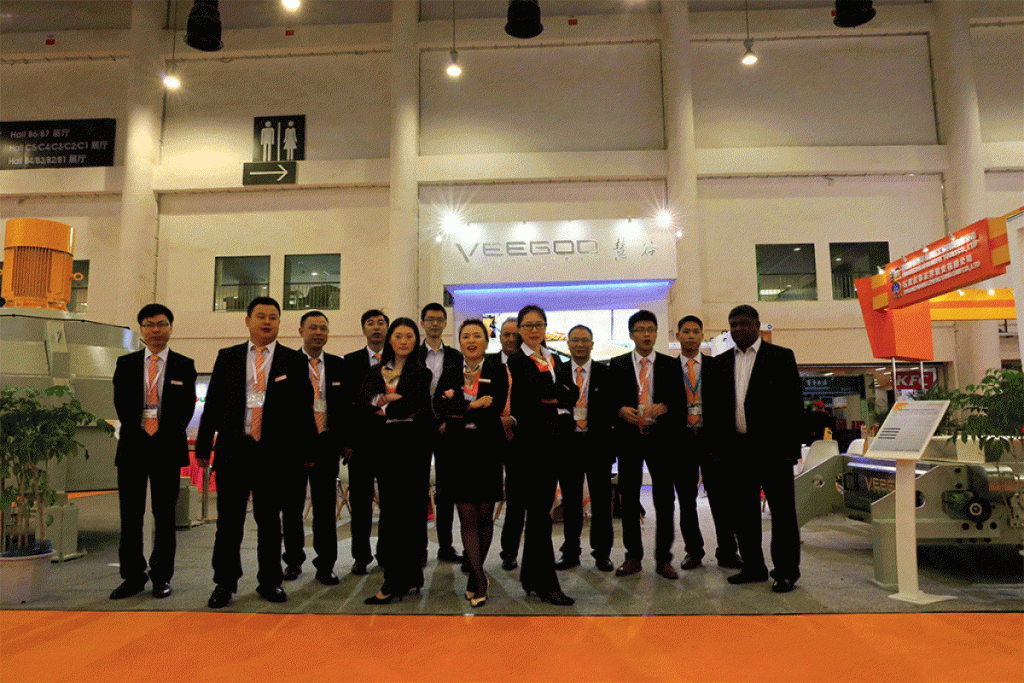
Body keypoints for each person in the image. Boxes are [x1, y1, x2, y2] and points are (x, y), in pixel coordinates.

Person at [196, 297, 315, 608]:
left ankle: (270, 581)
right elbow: (213, 405)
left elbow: (304, 409)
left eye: (273, 317)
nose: (267, 322)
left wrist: (308, 450)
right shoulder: (228, 357)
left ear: (279, 323)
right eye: (261, 316)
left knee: (270, 523)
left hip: (275, 455)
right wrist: (204, 446)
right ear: (248, 321)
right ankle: (224, 583)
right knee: (228, 523)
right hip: (234, 451)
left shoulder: (293, 360)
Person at [703, 304, 803, 594]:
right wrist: (717, 452)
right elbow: (714, 412)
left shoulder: (781, 357)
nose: (738, 329)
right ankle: (753, 567)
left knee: (783, 514)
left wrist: (791, 450)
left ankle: (786, 571)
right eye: (733, 324)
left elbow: (794, 405)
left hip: (775, 452)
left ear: (757, 325)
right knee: (744, 514)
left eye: (744, 323)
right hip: (736, 451)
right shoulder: (719, 363)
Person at [109, 304, 197, 600]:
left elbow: (185, 408)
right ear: (141, 330)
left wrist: (160, 432)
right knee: (130, 515)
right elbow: (121, 403)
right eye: (149, 325)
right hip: (133, 447)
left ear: (170, 328)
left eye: (161, 324)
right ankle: (132, 577)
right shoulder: (126, 363)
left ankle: (161, 577)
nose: (156, 330)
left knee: (165, 516)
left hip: (167, 448)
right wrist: (142, 431)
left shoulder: (184, 365)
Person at [434, 319, 509, 607]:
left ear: (486, 342)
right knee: (466, 514)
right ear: (460, 341)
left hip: (488, 449)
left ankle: (476, 574)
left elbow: (496, 405)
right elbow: (440, 404)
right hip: (458, 451)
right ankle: (478, 577)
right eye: (465, 336)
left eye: (477, 335)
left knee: (484, 514)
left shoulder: (497, 370)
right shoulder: (451, 370)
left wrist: (459, 412)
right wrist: (472, 405)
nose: (471, 340)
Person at [506, 304, 578, 606]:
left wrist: (556, 394)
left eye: (539, 324)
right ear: (520, 330)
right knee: (539, 516)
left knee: (540, 514)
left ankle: (531, 577)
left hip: (555, 443)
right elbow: (535, 393)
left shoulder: (555, 358)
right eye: (528, 325)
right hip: (530, 447)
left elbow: (572, 392)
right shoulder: (517, 360)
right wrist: (556, 393)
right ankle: (547, 583)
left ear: (546, 327)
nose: (534, 330)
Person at [360, 317, 434, 605]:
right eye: (398, 335)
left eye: (409, 336)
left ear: (416, 341)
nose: (403, 341)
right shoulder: (374, 371)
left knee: (413, 513)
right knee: (391, 513)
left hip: (414, 449)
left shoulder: (421, 372)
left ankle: (410, 576)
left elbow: (415, 405)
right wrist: (388, 402)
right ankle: (393, 577)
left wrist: (383, 403)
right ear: (390, 339)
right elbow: (363, 403)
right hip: (385, 448)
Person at [607, 310, 683, 580]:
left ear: (656, 332)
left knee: (664, 499)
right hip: (629, 439)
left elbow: (680, 401)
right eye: (640, 330)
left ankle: (664, 559)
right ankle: (633, 557)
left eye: (651, 329)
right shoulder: (617, 365)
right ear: (631, 335)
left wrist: (666, 407)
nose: (646, 334)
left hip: (660, 440)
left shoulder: (670, 364)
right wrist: (619, 410)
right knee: (629, 499)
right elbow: (607, 401)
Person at [280, 311, 350, 586]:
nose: (318, 333)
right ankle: (293, 561)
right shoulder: (287, 363)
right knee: (292, 509)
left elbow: (344, 408)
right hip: (294, 449)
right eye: (312, 328)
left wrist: (344, 442)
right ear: (301, 331)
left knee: (324, 510)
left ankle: (326, 565)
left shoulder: (338, 365)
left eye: (323, 328)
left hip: (326, 447)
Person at [672, 315, 742, 572]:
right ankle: (693, 551)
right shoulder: (667, 368)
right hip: (681, 442)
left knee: (721, 498)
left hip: (713, 441)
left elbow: (727, 404)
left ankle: (728, 551)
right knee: (686, 501)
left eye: (695, 332)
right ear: (678, 336)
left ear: (702, 336)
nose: (691, 336)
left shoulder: (718, 366)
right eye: (686, 331)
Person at [553, 324, 615, 572]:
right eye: (575, 340)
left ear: (592, 344)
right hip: (567, 445)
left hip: (598, 445)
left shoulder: (605, 372)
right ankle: (570, 552)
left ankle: (602, 554)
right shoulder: (557, 372)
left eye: (585, 340)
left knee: (601, 503)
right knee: (571, 503)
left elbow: (612, 410)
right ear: (568, 344)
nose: (580, 344)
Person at [413, 302, 464, 565]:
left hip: (447, 430)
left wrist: (446, 419)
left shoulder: (456, 356)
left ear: (445, 323)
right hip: (419, 429)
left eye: (439, 319)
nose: (434, 323)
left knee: (446, 490)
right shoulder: (412, 354)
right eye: (430, 319)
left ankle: (446, 546)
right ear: (422, 323)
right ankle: (419, 549)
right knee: (418, 489)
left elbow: (462, 390)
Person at [342, 308, 389, 575]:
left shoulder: (398, 360)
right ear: (363, 329)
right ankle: (361, 556)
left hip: (390, 442)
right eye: (370, 323)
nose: (376, 327)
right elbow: (345, 405)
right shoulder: (350, 361)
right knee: (360, 504)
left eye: (381, 323)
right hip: (360, 444)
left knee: (389, 503)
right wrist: (347, 442)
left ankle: (385, 553)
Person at [493, 317, 526, 571]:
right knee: (484, 498)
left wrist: (514, 419)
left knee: (516, 500)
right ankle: (475, 554)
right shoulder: (487, 363)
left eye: (516, 334)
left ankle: (509, 552)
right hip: (490, 438)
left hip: (520, 439)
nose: (511, 339)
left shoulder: (530, 364)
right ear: (500, 337)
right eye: (506, 334)